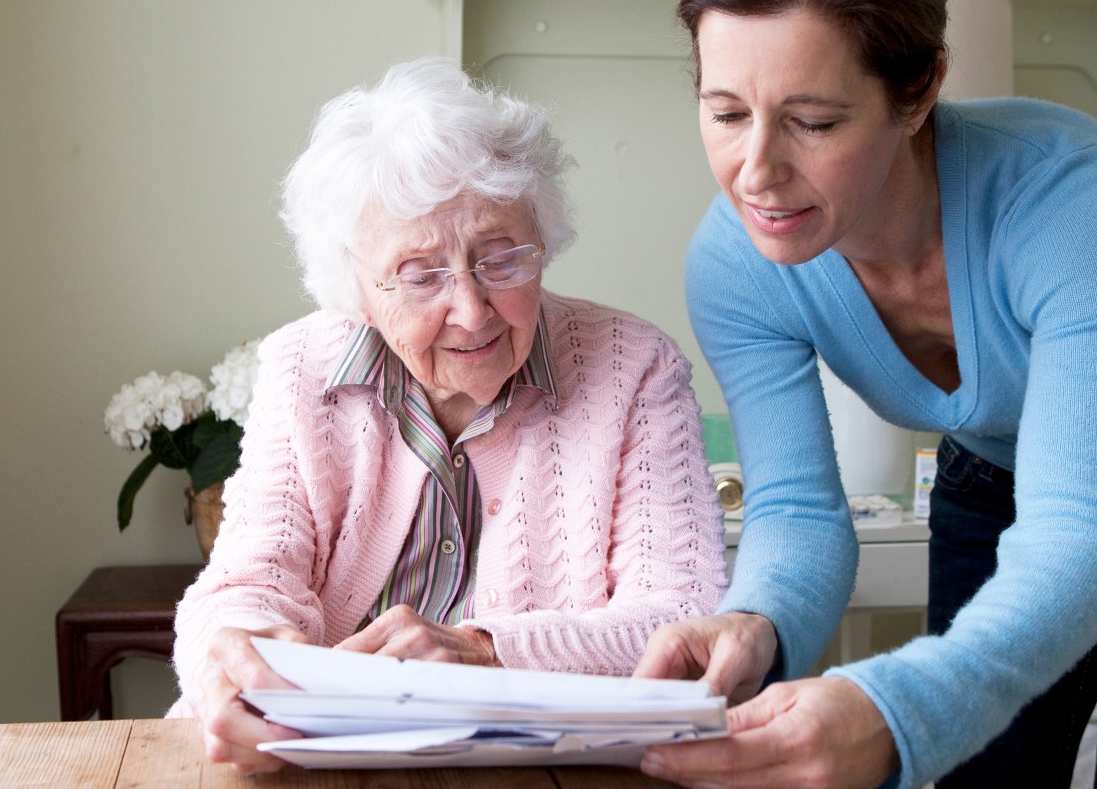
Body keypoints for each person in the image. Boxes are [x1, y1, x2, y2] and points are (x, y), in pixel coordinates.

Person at [633, 0, 1097, 789]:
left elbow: (1078, 537)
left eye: (812, 121)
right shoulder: (735, 264)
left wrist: (895, 711)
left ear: (921, 89)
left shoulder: (1077, 201)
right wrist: (761, 619)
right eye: (726, 111)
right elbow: (794, 511)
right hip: (995, 475)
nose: (756, 171)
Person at [169, 57, 727, 773]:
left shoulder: (636, 368)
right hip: (312, 765)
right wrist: (237, 651)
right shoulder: (300, 369)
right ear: (358, 289)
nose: (470, 310)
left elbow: (680, 620)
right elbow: (245, 580)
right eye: (419, 274)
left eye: (501, 259)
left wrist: (482, 652)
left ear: (544, 243)